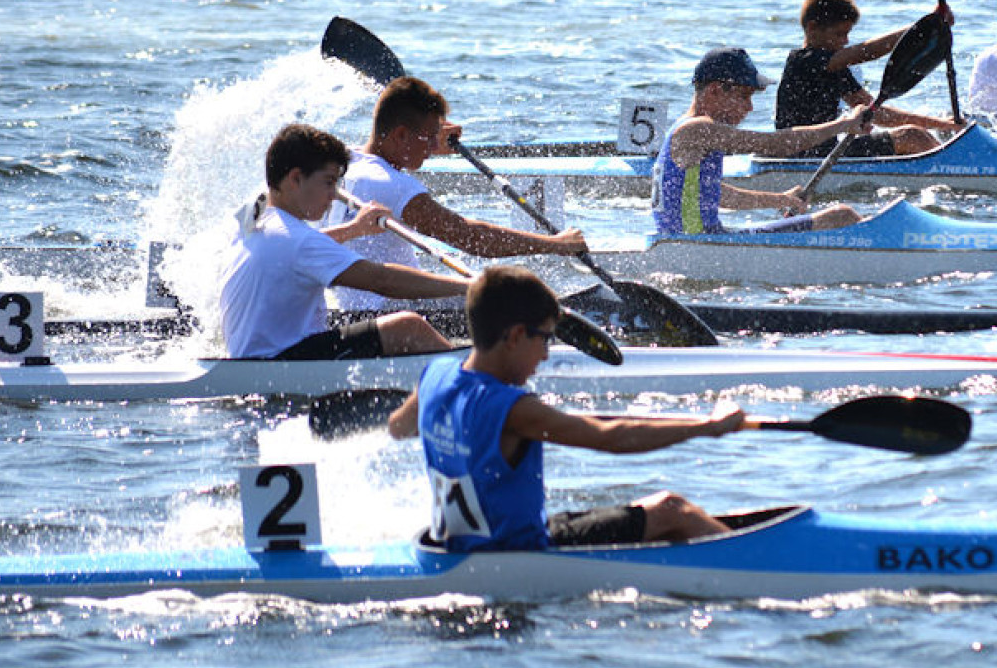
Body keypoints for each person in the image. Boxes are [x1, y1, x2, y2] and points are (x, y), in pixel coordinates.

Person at [387, 265, 745, 550]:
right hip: (516, 551)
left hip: (460, 542)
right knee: (672, 509)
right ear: (514, 337)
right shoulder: (513, 408)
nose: (545, 355)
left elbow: (398, 428)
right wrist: (707, 426)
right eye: (544, 339)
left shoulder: (433, 377)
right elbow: (612, 438)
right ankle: (759, 566)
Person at [326, 76, 587, 311]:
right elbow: (471, 238)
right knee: (525, 299)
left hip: (356, 306)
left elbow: (393, 145)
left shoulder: (346, 162)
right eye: (429, 138)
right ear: (401, 134)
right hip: (390, 309)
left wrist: (424, 140)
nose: (433, 146)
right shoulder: (391, 184)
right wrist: (555, 244)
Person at [219, 123, 471, 360]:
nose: (334, 195)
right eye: (329, 183)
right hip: (280, 360)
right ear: (295, 179)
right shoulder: (300, 241)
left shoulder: (255, 219)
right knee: (409, 326)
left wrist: (353, 229)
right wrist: (471, 287)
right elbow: (382, 280)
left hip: (251, 353)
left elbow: (294, 251)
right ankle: (475, 385)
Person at [652, 47, 868, 235]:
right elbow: (776, 145)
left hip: (694, 240)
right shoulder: (697, 129)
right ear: (715, 90)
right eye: (744, 96)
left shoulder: (685, 127)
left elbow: (717, 194)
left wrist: (781, 199)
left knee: (840, 216)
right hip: (700, 243)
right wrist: (843, 124)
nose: (750, 107)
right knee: (842, 216)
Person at [774, 0, 958, 159]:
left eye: (848, 33)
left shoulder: (835, 68)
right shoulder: (803, 61)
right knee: (913, 137)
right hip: (801, 155)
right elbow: (867, 51)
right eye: (839, 34)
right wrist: (928, 26)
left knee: (915, 135)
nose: (845, 41)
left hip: (823, 152)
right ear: (812, 28)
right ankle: (962, 173)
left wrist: (941, 124)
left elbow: (876, 112)